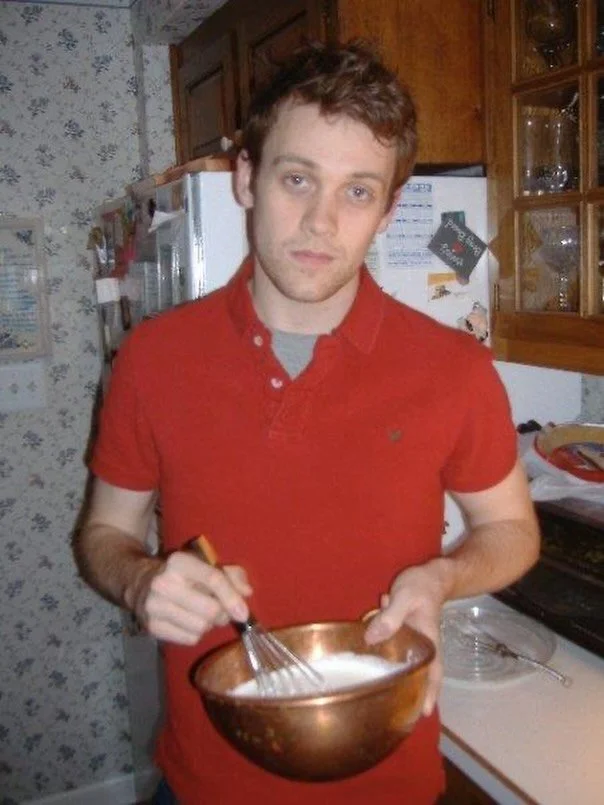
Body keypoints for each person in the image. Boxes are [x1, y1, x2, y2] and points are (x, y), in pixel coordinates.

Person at [74, 40, 540, 805]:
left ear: (388, 211)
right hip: (202, 784)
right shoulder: (152, 359)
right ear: (247, 178)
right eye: (297, 179)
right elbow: (102, 535)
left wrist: (443, 576)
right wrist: (140, 579)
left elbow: (513, 530)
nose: (321, 222)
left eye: (358, 191)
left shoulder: (455, 368)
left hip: (389, 782)